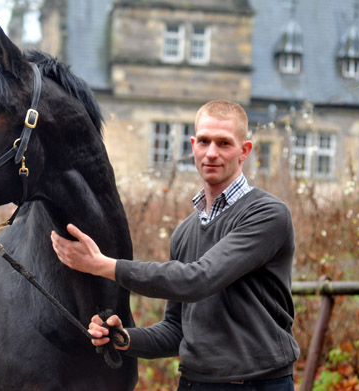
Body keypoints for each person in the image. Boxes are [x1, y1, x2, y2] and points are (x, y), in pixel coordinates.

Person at [51, 100, 300, 390]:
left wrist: (102, 265)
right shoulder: (185, 232)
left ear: (244, 151)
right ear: (193, 145)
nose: (211, 153)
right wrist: (123, 337)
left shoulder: (268, 214)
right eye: (204, 141)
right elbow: (176, 330)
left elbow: (198, 280)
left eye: (224, 143)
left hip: (258, 385)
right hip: (194, 383)